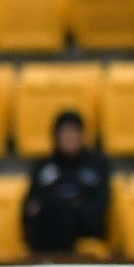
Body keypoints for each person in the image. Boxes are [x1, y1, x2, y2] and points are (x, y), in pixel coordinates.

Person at [22, 110, 113, 257]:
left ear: (82, 135)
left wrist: (71, 207)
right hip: (48, 225)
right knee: (52, 210)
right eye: (64, 132)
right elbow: (31, 206)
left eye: (73, 132)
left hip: (84, 227)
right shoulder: (43, 166)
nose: (69, 137)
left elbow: (100, 205)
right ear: (55, 136)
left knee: (62, 211)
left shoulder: (97, 165)